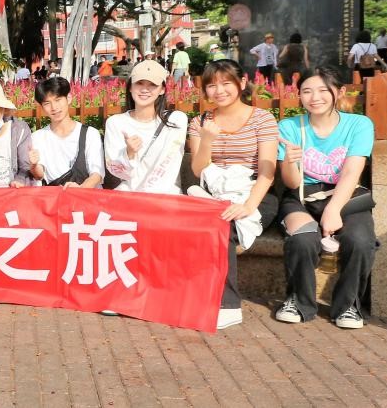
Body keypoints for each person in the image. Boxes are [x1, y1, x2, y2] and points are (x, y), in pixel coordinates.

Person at [274, 68, 376, 329]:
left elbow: (352, 171)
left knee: (360, 241)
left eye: (322, 90)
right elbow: (292, 183)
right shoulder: (289, 127)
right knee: (302, 239)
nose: (314, 97)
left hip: (345, 195)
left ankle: (349, 306)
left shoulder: (359, 125)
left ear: (339, 92)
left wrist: (333, 210)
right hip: (301, 196)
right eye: (307, 91)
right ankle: (298, 302)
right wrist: (289, 161)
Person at [186, 59, 279, 330]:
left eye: (226, 83)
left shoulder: (262, 119)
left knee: (222, 227)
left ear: (242, 83)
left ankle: (228, 305)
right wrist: (207, 140)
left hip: (255, 193)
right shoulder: (200, 122)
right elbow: (198, 169)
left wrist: (248, 206)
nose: (219, 91)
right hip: (214, 193)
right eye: (212, 85)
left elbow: (267, 172)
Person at [103, 60, 188, 194]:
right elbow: (117, 172)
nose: (144, 90)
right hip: (130, 196)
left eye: (152, 84)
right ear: (130, 87)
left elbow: (170, 166)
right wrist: (129, 153)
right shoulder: (115, 123)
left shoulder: (176, 120)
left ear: (162, 89)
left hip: (166, 196)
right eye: (139, 83)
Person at [30, 77, 104, 189]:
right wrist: (33, 165)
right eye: (47, 103)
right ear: (41, 107)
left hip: (87, 195)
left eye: (58, 100)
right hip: (55, 195)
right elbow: (39, 175)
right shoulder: (37, 137)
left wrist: (80, 189)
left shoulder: (90, 134)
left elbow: (97, 174)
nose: (54, 108)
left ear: (68, 98)